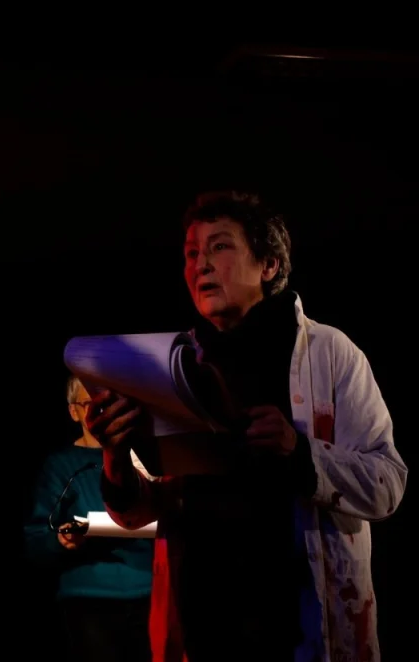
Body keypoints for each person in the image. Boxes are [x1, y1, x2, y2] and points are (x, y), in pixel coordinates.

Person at [84, 190, 406, 662]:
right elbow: (137, 514)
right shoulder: (171, 364)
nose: (201, 264)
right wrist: (115, 454)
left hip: (298, 632)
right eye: (191, 253)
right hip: (203, 631)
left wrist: (298, 452)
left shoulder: (328, 353)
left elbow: (387, 483)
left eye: (219, 246)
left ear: (269, 265)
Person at [23, 374, 153, 661]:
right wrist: (61, 540)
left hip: (149, 593)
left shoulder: (143, 458)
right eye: (91, 404)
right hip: (89, 598)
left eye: (109, 403)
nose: (103, 412)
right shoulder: (60, 465)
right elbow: (36, 538)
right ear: (74, 412)